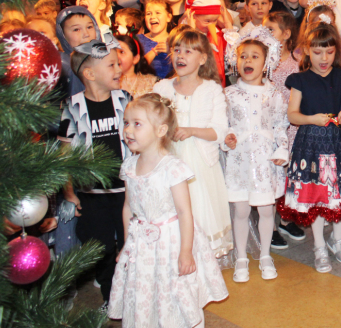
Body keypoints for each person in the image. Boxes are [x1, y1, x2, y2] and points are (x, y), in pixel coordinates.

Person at [108, 93, 228, 327]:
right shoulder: (129, 165)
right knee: (145, 291)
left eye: (137, 124)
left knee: (172, 292)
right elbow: (128, 207)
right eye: (126, 123)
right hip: (141, 244)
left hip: (170, 243)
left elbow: (184, 213)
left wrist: (186, 252)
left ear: (161, 130)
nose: (128, 130)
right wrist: (126, 244)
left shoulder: (172, 168)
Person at [277, 23, 341, 274]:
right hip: (311, 144)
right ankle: (319, 246)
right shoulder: (300, 80)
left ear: (337, 51)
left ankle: (338, 239)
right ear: (307, 51)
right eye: (317, 52)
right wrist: (312, 119)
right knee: (317, 195)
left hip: (340, 142)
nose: (323, 58)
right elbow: (292, 115)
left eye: (329, 52)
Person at [59, 35, 131, 312]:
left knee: (129, 244)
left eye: (118, 63)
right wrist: (69, 194)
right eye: (111, 65)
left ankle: (130, 296)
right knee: (101, 249)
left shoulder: (125, 99)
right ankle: (111, 298)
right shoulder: (71, 106)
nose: (119, 69)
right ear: (89, 74)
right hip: (92, 194)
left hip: (127, 192)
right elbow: (65, 155)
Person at [153, 28, 234, 260]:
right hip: (169, 160)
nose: (181, 55)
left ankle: (201, 263)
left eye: (189, 51)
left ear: (202, 59)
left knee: (199, 209)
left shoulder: (211, 90)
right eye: (177, 50)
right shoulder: (162, 88)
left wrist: (191, 131)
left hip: (200, 164)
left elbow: (219, 131)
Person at [223, 27, 290, 282]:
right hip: (239, 160)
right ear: (235, 60)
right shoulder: (229, 94)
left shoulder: (274, 94)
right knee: (240, 211)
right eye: (243, 56)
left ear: (266, 62)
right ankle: (241, 257)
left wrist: (282, 149)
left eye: (254, 56)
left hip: (264, 161)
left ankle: (265, 255)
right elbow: (224, 124)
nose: (248, 61)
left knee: (266, 211)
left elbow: (280, 124)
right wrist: (227, 137)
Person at [264, 11, 306, 247]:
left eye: (270, 30)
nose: (265, 34)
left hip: (290, 128)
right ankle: (269, 225)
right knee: (271, 176)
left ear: (286, 34)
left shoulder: (297, 64)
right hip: (267, 128)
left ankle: (286, 219)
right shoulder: (261, 61)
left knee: (289, 175)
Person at [55, 6, 101, 97]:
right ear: (63, 36)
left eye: (89, 27)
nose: (86, 34)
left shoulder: (108, 60)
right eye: (76, 29)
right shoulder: (63, 66)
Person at [184, 0, 228, 85]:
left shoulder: (218, 34)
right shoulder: (183, 34)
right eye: (207, 21)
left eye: (214, 20)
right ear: (193, 16)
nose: (211, 24)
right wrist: (192, 31)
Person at [115, 33, 158, 98]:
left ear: (135, 58)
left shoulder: (152, 83)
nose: (116, 56)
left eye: (122, 52)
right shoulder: (106, 82)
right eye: (113, 52)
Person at [139, 0, 173, 78]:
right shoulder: (139, 40)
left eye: (158, 13)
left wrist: (171, 53)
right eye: (148, 14)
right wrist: (155, 51)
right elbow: (136, 68)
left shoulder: (175, 40)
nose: (152, 17)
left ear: (168, 17)